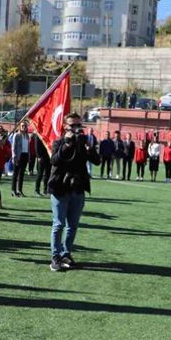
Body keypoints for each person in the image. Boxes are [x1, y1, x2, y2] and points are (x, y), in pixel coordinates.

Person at [47, 112, 101, 272]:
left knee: (73, 226)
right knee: (58, 224)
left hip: (77, 188)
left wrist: (89, 148)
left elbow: (97, 161)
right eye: (73, 125)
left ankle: (66, 254)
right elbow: (54, 160)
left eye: (79, 125)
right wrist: (67, 144)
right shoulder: (59, 141)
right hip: (60, 188)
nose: (77, 128)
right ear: (65, 126)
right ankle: (55, 257)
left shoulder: (84, 142)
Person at [10, 122, 30, 197]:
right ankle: (13, 190)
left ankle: (20, 190)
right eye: (22, 126)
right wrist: (14, 156)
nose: (24, 127)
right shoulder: (17, 135)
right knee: (15, 173)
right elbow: (13, 147)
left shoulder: (27, 135)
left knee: (21, 174)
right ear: (20, 127)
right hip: (18, 156)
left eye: (25, 126)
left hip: (25, 155)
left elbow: (28, 147)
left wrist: (29, 156)